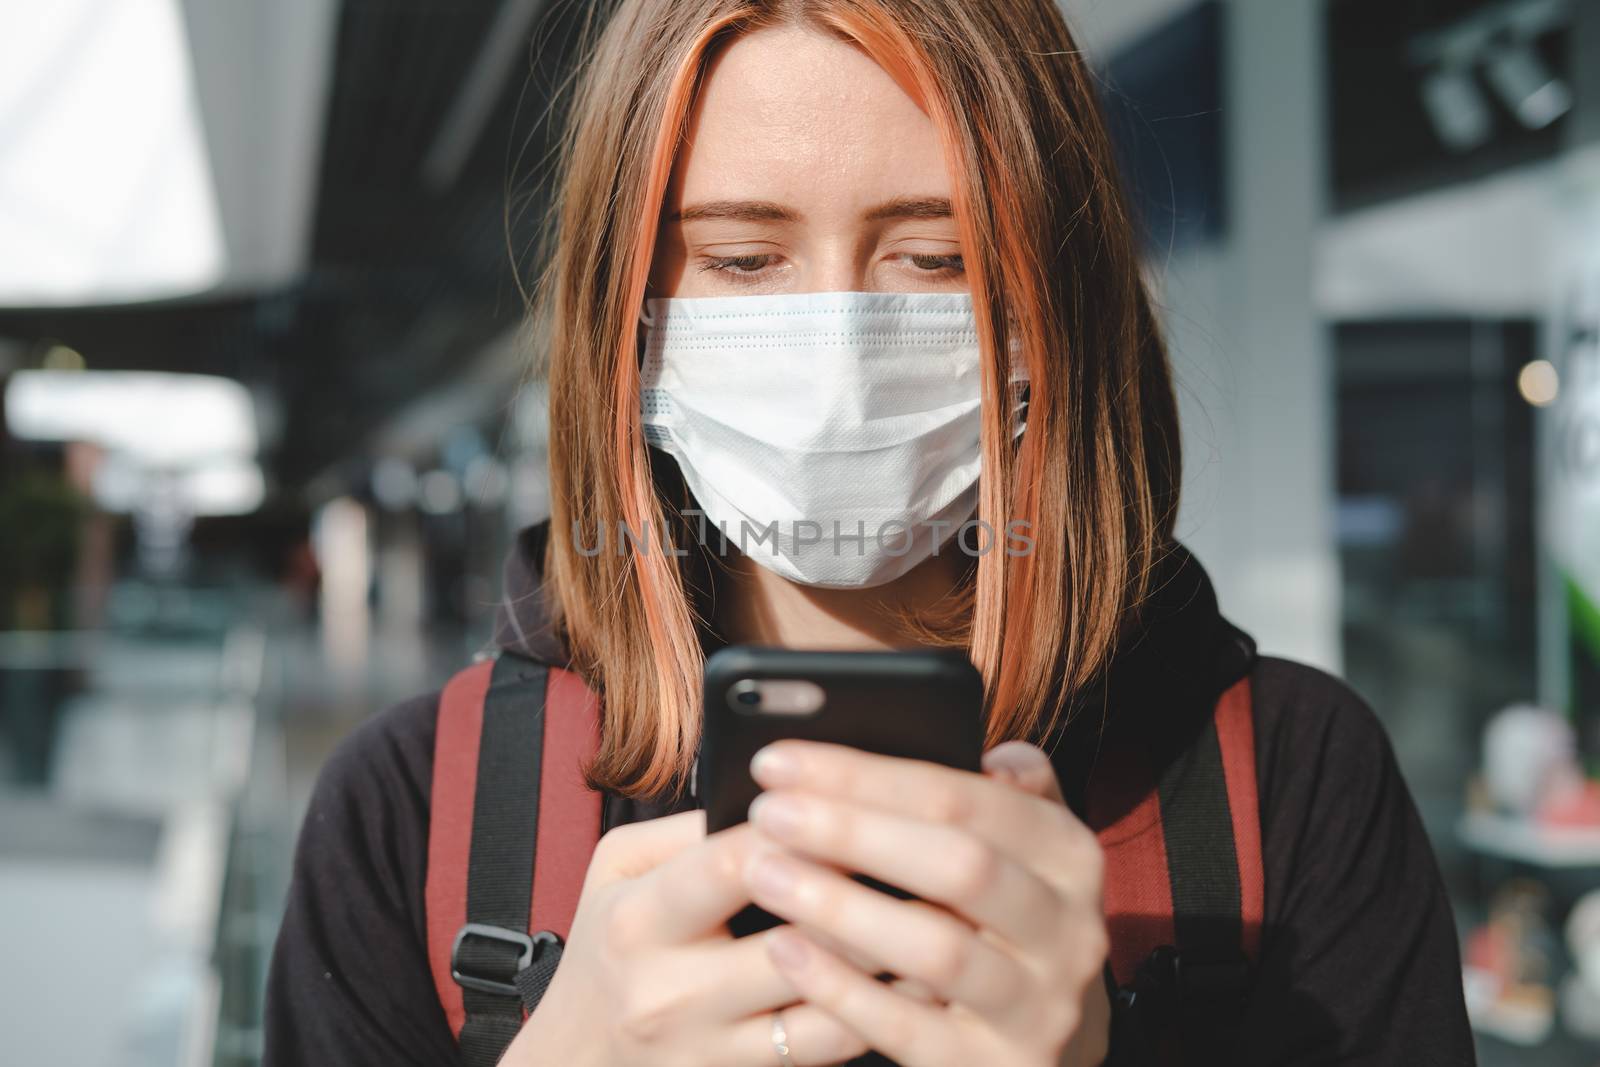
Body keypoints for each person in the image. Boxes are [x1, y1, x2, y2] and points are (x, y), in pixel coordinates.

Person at [264, 1, 1476, 1064]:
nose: (837, 356)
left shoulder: (1287, 784)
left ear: (1053, 305)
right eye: (742, 258)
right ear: (626, 323)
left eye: (936, 257)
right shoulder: (422, 814)